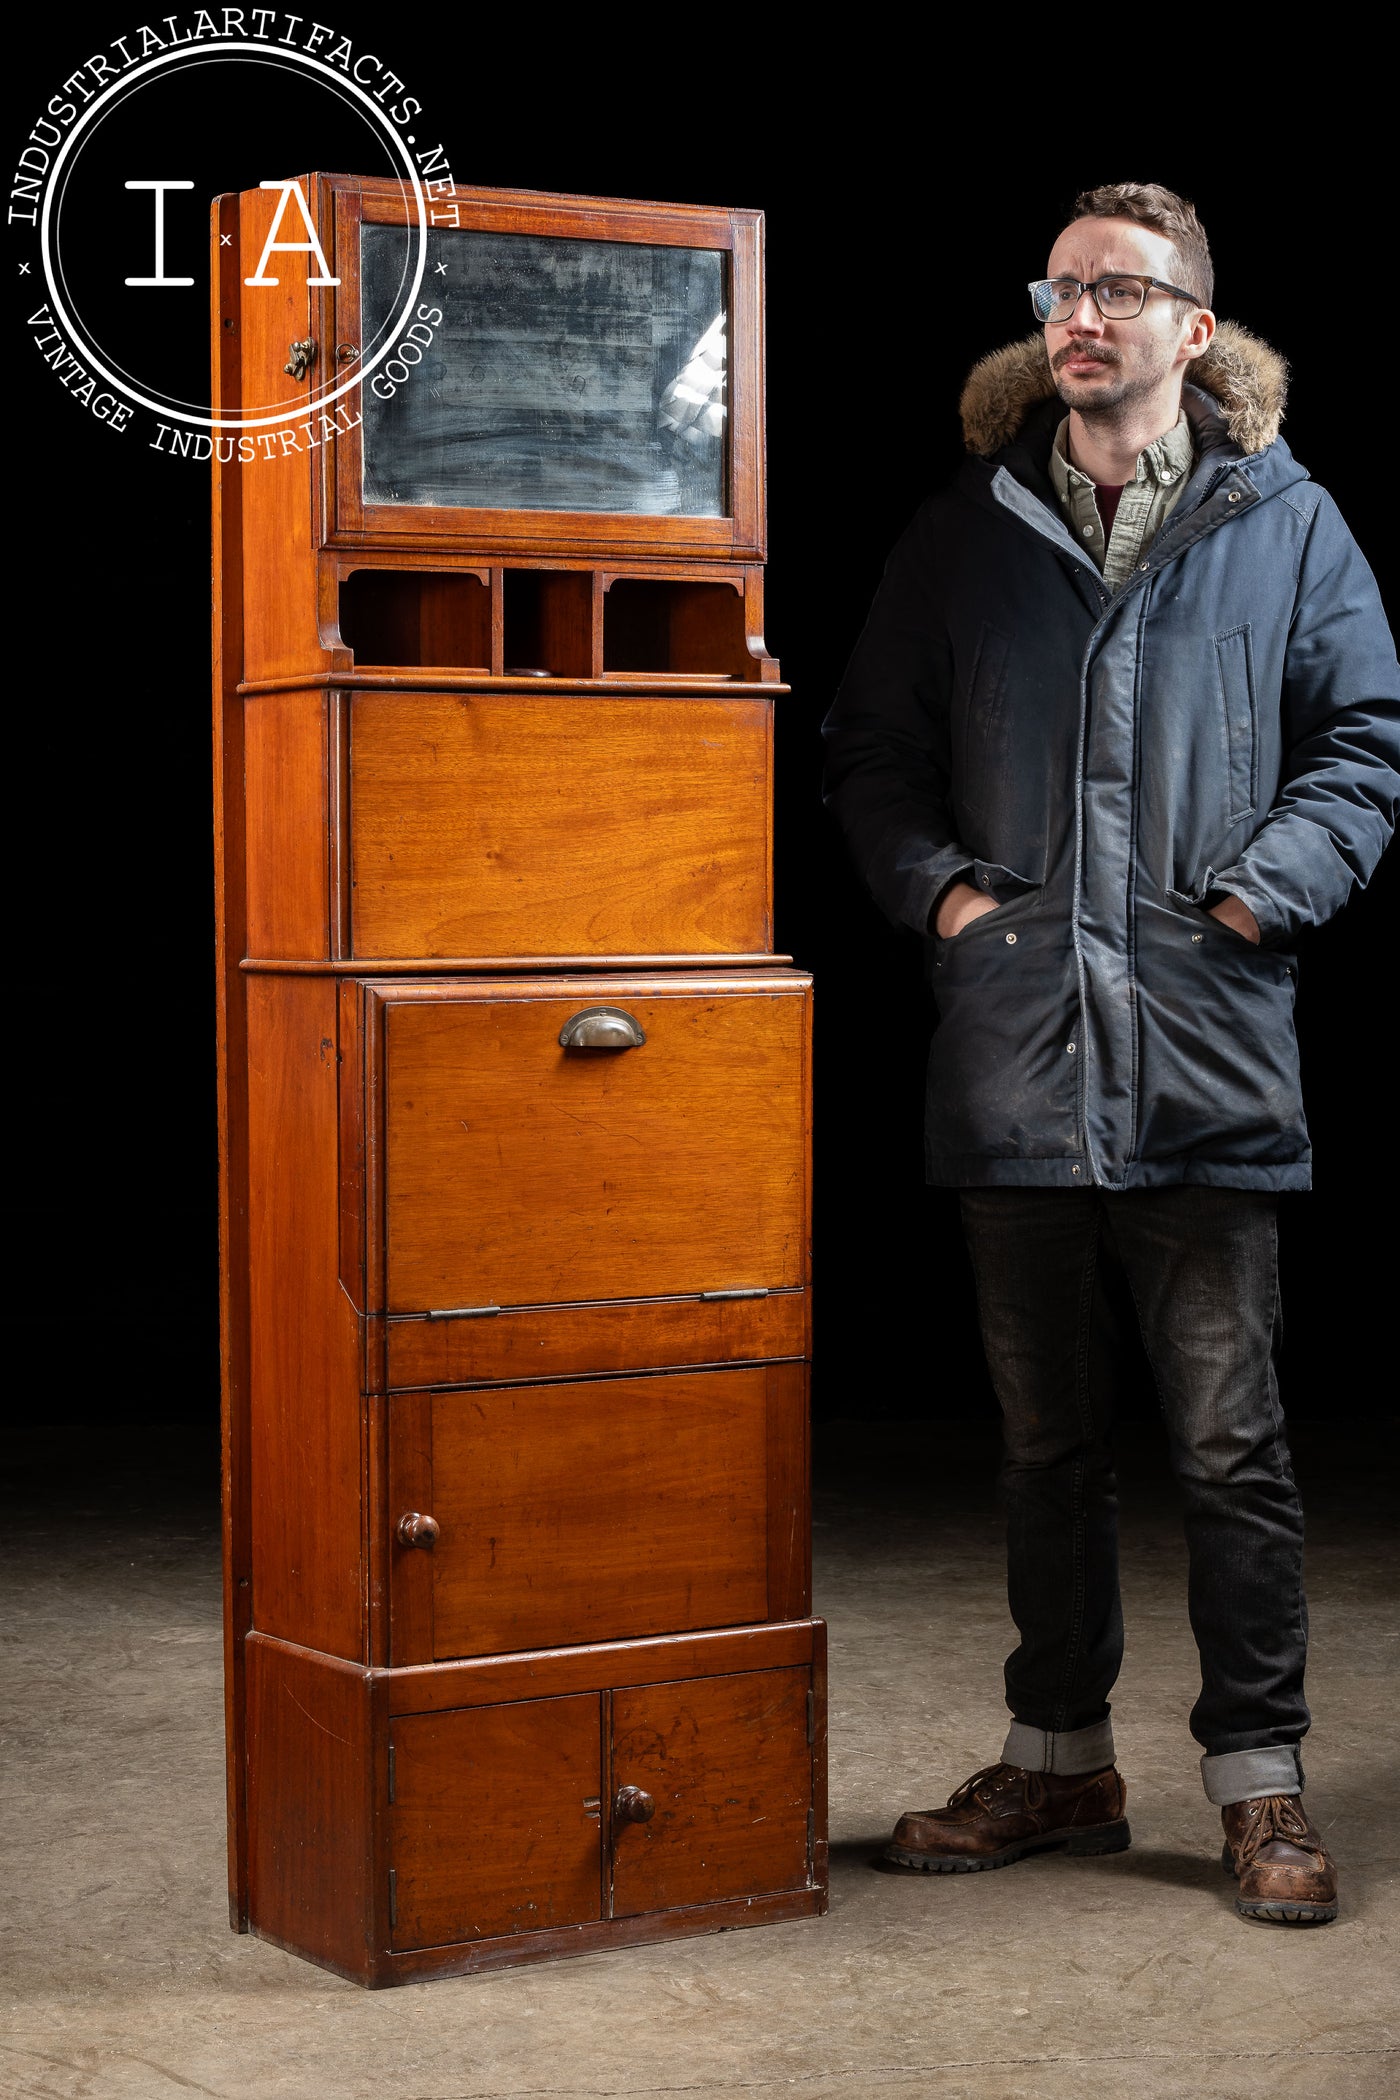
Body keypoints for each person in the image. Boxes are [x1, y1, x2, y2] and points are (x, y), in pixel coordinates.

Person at [821, 181, 1400, 1925]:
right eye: (1061, 289)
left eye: (1120, 290)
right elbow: (869, 753)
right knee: (1043, 1449)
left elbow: (1360, 748)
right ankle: (1059, 1763)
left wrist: (1251, 906)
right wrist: (948, 911)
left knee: (1231, 1447)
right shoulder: (964, 531)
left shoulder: (1287, 526)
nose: (1081, 315)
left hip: (1206, 1062)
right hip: (1017, 1064)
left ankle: (1261, 1780)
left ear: (1192, 330)